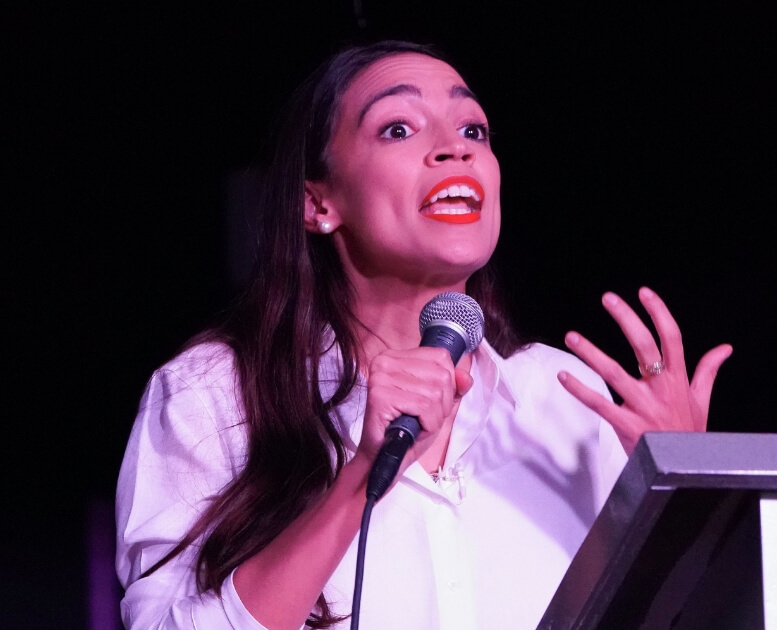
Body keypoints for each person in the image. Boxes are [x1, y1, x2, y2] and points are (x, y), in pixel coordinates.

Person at [114, 40, 732, 630]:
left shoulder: (563, 398)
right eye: (399, 129)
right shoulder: (215, 394)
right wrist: (361, 471)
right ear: (317, 202)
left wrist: (683, 484)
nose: (454, 150)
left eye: (473, 131)